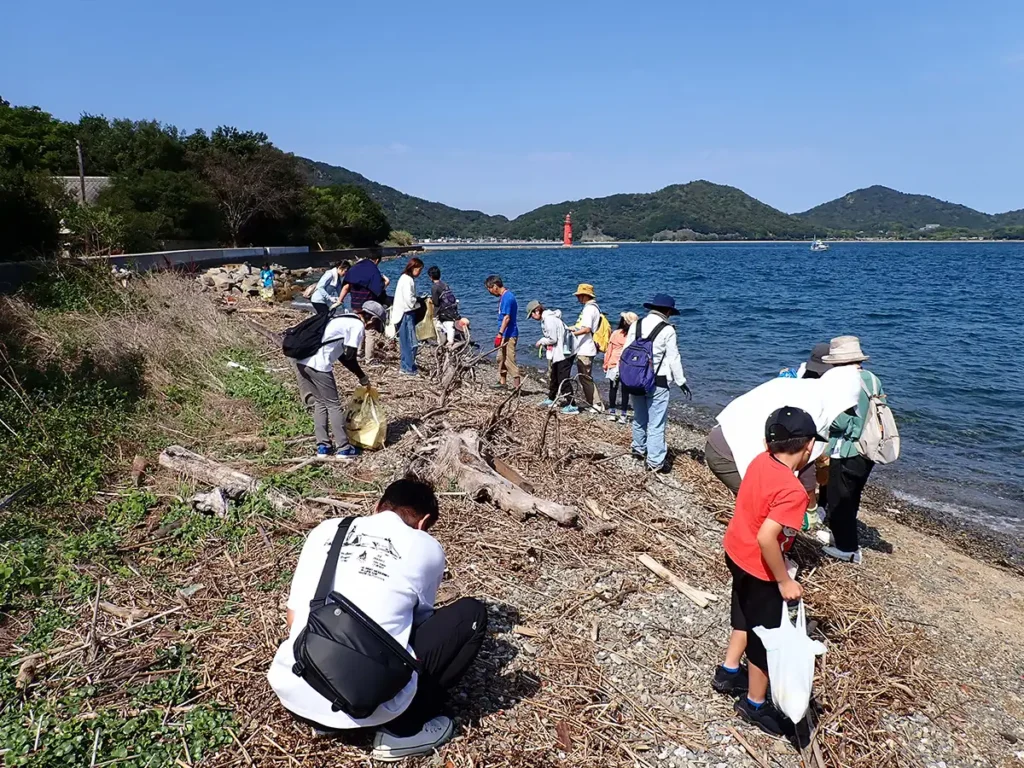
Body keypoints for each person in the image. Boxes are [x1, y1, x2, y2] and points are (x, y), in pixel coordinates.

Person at [267, 477, 488, 761]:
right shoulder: (426, 546)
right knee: (473, 614)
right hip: (368, 696)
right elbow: (420, 622)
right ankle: (403, 730)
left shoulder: (328, 529)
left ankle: (326, 721)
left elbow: (293, 615)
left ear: (377, 506)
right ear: (424, 523)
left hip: (297, 687)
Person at [714, 406, 822, 737]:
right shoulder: (793, 491)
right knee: (766, 637)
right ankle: (754, 704)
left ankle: (729, 671)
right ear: (808, 448)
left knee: (744, 611)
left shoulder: (761, 461)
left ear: (769, 441)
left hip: (735, 549)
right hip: (760, 566)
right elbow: (767, 538)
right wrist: (784, 580)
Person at [704, 375, 855, 527]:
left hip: (722, 436)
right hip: (727, 453)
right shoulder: (814, 413)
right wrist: (811, 509)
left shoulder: (801, 389)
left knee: (761, 505)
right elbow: (805, 474)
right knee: (766, 512)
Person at [816, 336, 885, 564]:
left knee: (839, 499)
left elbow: (842, 424)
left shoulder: (843, 381)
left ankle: (848, 549)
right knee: (853, 495)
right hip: (869, 446)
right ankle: (842, 537)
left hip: (846, 448)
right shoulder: (871, 379)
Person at [294, 301, 387, 459]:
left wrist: (360, 376)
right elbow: (350, 357)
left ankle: (322, 447)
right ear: (371, 319)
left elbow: (343, 357)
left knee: (320, 403)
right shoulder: (357, 325)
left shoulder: (342, 317)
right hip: (319, 365)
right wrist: (362, 377)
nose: (373, 328)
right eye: (375, 324)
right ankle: (343, 448)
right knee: (334, 405)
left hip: (303, 362)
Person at [623, 294, 691, 473]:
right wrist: (681, 381)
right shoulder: (667, 329)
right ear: (668, 311)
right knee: (656, 423)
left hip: (634, 378)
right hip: (657, 381)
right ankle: (654, 461)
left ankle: (638, 449)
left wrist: (619, 375)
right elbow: (673, 358)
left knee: (639, 416)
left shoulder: (636, 325)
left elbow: (625, 352)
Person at [527, 300, 577, 413]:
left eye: (532, 314)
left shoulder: (549, 319)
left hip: (565, 352)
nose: (532, 317)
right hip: (558, 351)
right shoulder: (546, 319)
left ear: (537, 310)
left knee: (562, 378)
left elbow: (552, 339)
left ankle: (572, 404)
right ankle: (551, 398)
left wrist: (541, 341)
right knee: (554, 375)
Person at [338, 254, 391, 363]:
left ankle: (358, 353)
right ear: (376, 260)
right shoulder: (373, 271)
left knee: (359, 329)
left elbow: (346, 287)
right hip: (368, 306)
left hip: (356, 305)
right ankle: (369, 359)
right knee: (370, 332)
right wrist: (386, 283)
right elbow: (379, 290)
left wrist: (340, 300)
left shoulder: (354, 269)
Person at [568, 283, 602, 411]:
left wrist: (572, 334)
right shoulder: (594, 307)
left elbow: (586, 328)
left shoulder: (589, 309)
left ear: (584, 296)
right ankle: (592, 402)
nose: (577, 298)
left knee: (585, 377)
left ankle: (596, 404)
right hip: (587, 347)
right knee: (584, 376)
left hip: (586, 348)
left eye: (579, 296)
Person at [484, 275, 520, 390]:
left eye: (489, 289)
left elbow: (507, 318)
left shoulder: (508, 298)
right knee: (501, 358)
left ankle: (516, 387)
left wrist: (500, 334)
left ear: (495, 286)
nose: (489, 292)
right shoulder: (504, 297)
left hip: (509, 334)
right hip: (504, 334)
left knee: (510, 360)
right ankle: (503, 382)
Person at [391, 257, 423, 375]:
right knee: (411, 342)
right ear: (413, 268)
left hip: (402, 313)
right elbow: (409, 300)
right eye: (419, 269)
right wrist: (419, 302)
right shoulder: (408, 280)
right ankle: (409, 368)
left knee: (405, 342)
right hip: (406, 313)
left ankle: (405, 366)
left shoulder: (403, 278)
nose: (419, 272)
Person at [603, 312, 637, 422]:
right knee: (625, 391)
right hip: (627, 365)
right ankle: (623, 414)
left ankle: (612, 412)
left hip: (613, 364)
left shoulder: (616, 333)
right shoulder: (635, 336)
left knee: (613, 389)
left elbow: (609, 350)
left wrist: (606, 363)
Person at [428, 266, 460, 346]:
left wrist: (430, 300)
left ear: (431, 277)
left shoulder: (434, 287)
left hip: (441, 311)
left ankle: (442, 343)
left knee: (437, 326)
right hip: (451, 309)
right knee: (449, 326)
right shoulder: (445, 284)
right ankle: (450, 340)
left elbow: (436, 302)